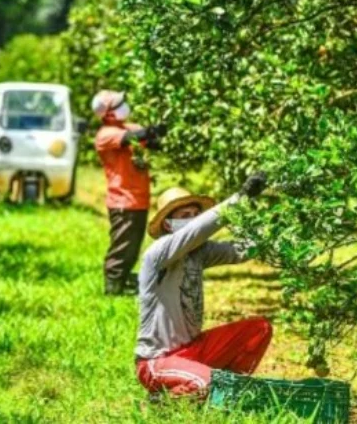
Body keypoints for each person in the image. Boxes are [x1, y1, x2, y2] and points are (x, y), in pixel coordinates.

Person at [135, 173, 272, 398]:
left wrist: (282, 228)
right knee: (209, 385)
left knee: (259, 329)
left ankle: (224, 390)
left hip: (194, 350)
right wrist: (240, 198)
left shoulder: (199, 253)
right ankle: (163, 400)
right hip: (158, 360)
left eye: (196, 215)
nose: (193, 220)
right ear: (169, 224)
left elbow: (242, 250)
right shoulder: (159, 253)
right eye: (185, 215)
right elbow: (197, 230)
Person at [91, 90, 166, 296]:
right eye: (119, 104)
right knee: (123, 245)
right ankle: (113, 286)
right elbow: (132, 138)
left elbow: (152, 142)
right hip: (123, 200)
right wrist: (152, 130)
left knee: (133, 246)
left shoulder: (129, 127)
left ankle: (123, 282)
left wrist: (160, 134)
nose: (125, 106)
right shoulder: (105, 134)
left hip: (139, 199)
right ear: (108, 113)